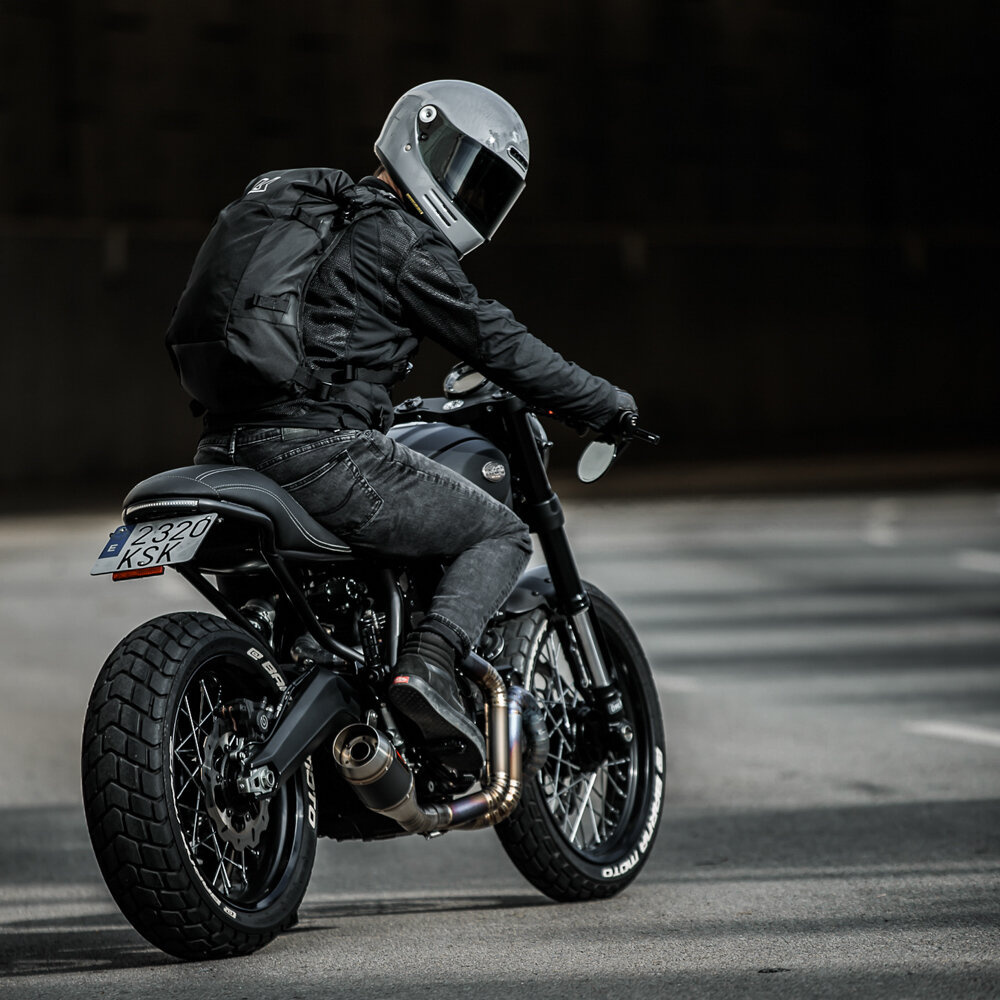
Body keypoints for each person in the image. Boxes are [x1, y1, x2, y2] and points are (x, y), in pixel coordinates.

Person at [187, 80, 638, 772]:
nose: (467, 195)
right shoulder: (399, 240)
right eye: (461, 167)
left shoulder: (313, 221)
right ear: (416, 138)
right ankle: (428, 665)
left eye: (485, 186)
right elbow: (498, 342)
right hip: (320, 455)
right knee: (500, 532)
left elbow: (322, 354)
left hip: (226, 449)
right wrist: (605, 403)